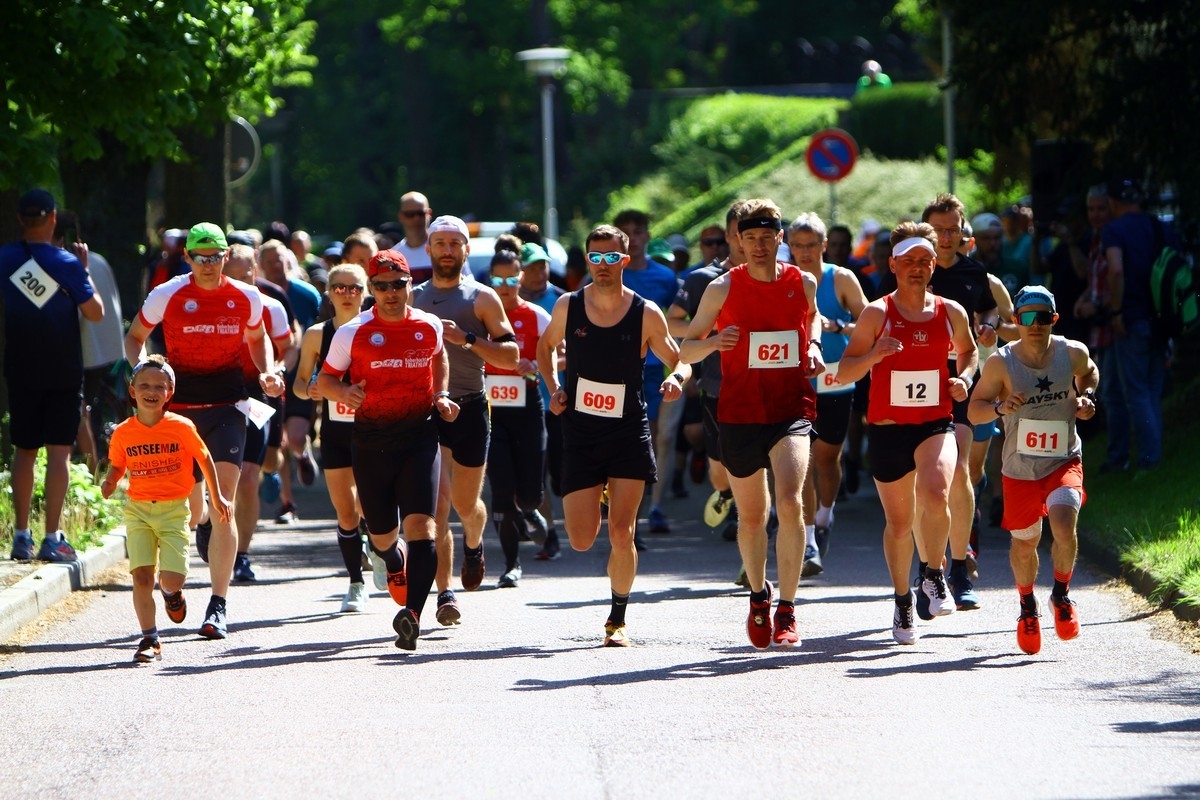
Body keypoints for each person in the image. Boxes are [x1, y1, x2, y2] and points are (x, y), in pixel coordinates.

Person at [124, 222, 285, 639]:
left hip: (228, 407)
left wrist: (266, 371)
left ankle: (218, 604)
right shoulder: (168, 294)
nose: (209, 265)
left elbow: (259, 337)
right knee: (192, 512)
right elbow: (135, 336)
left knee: (223, 501)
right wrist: (143, 374)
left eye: (216, 257)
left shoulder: (246, 296)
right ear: (189, 258)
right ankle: (177, 585)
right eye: (201, 258)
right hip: (178, 413)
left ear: (226, 257)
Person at [679, 199, 823, 649]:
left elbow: (812, 317)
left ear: (780, 238)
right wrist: (714, 342)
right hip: (739, 413)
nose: (759, 245)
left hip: (790, 408)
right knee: (754, 517)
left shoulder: (802, 282)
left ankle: (788, 609)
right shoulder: (722, 288)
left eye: (767, 237)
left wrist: (814, 344)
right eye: (750, 238)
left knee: (791, 501)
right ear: (738, 241)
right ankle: (759, 596)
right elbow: (685, 348)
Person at [537, 224, 690, 646]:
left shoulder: (646, 312)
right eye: (595, 257)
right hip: (582, 433)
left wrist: (677, 379)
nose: (603, 265)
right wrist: (554, 388)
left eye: (611, 257)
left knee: (621, 533)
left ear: (625, 260)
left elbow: (681, 361)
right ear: (588, 261)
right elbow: (544, 347)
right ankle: (599, 490)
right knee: (583, 540)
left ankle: (617, 619)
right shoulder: (569, 306)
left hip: (627, 431)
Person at [837, 221, 977, 644]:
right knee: (899, 524)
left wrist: (964, 378)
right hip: (888, 428)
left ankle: (933, 574)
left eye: (924, 262)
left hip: (935, 421)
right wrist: (874, 355)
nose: (917, 268)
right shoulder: (877, 313)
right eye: (908, 261)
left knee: (936, 491)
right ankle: (902, 601)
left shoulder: (950, 310)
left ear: (933, 266)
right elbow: (844, 370)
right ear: (894, 265)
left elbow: (969, 351)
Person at [318, 250, 460, 650]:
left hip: (419, 437)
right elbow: (326, 381)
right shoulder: (353, 332)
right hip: (371, 442)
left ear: (408, 285)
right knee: (383, 536)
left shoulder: (428, 325)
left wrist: (443, 394)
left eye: (398, 285)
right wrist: (345, 390)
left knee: (423, 527)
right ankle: (393, 562)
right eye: (381, 286)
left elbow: (440, 356)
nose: (391, 293)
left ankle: (411, 614)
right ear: (372, 290)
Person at [877, 194, 999, 613]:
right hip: (906, 392)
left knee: (955, 473)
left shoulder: (975, 274)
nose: (946, 238)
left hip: (951, 390)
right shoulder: (904, 273)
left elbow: (996, 318)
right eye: (939, 229)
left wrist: (989, 335)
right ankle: (929, 567)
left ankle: (957, 569)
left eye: (953, 230)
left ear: (963, 233)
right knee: (917, 489)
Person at [968, 286, 1098, 654]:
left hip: (1063, 459)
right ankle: (1027, 606)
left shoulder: (1071, 352)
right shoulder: (1000, 362)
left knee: (1062, 525)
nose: (1035, 324)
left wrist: (1087, 398)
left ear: (1054, 320)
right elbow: (974, 408)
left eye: (1044, 317)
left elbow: (1090, 373)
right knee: (1024, 544)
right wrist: (999, 408)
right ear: (1016, 321)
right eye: (1027, 317)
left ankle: (1061, 595)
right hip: (1020, 469)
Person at [411, 215, 519, 625]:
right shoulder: (413, 298)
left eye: (455, 243)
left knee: (465, 504)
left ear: (466, 250)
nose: (448, 250)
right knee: (437, 507)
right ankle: (444, 593)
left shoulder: (482, 298)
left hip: (472, 405)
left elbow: (511, 356)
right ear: (430, 248)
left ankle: (474, 542)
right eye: (441, 243)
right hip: (428, 409)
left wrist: (468, 339)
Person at [100, 357, 232, 663]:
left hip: (174, 511)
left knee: (170, 579)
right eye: (144, 385)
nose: (152, 391)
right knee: (142, 577)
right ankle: (150, 638)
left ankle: (173, 594)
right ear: (132, 391)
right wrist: (110, 480)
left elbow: (204, 459)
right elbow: (118, 463)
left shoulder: (181, 427)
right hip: (139, 512)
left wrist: (218, 497)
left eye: (159, 386)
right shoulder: (123, 432)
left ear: (169, 392)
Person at [3, 189, 104, 563]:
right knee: (59, 453)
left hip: (20, 365)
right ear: (52, 219)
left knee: (24, 451)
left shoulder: (5, 258)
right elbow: (95, 313)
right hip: (61, 368)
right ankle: (51, 537)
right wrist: (84, 269)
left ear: (19, 219)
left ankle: (20, 536)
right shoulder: (66, 261)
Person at [787, 212, 869, 574]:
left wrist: (838, 327)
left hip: (836, 377)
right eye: (797, 246)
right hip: (796, 378)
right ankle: (808, 541)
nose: (804, 253)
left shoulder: (842, 278)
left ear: (823, 245)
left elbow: (870, 324)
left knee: (826, 459)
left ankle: (824, 515)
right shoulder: (783, 278)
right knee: (800, 459)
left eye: (810, 246)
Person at [667, 205, 748, 544]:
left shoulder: (782, 278)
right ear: (730, 236)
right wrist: (713, 333)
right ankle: (728, 496)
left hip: (763, 387)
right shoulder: (704, 279)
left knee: (759, 462)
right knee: (720, 470)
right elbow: (672, 322)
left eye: (760, 235)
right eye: (741, 234)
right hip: (716, 387)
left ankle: (750, 520)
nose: (750, 242)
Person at [294, 262, 371, 611]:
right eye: (339, 287)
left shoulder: (377, 329)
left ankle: (382, 550)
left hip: (376, 429)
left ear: (365, 292)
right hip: (336, 430)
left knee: (371, 504)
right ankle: (356, 583)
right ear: (329, 292)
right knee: (345, 511)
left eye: (354, 287)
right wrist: (310, 391)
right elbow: (298, 384)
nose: (347, 293)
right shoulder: (316, 335)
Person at [223, 245, 298, 582]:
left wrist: (276, 370)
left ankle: (242, 555)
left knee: (253, 469)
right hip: (218, 392)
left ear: (256, 271)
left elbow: (290, 347)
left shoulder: (271, 306)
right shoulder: (210, 307)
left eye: (246, 276)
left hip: (256, 392)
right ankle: (215, 525)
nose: (241, 284)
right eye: (233, 277)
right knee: (224, 471)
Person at [484, 249, 553, 587]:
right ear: (490, 280)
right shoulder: (480, 315)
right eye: (499, 280)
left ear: (521, 278)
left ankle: (529, 508)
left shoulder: (536, 315)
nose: (506, 286)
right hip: (491, 411)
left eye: (512, 279)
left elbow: (563, 354)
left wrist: (536, 367)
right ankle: (511, 565)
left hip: (527, 407)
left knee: (529, 491)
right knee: (500, 489)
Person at [613, 210, 682, 538]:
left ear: (646, 235)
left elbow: (681, 321)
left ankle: (652, 509)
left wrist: (683, 368)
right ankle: (624, 510)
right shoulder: (605, 274)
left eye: (638, 231)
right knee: (622, 442)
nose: (633, 238)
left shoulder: (665, 278)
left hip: (655, 370)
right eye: (625, 232)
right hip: (614, 373)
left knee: (656, 439)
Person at [1103, 178, 1176, 471]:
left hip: (1132, 319)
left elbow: (1116, 270)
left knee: (1136, 392)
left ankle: (1149, 460)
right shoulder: (1161, 227)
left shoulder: (1114, 229)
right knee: (1153, 389)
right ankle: (1154, 455)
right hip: (1162, 320)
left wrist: (1117, 310)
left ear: (1113, 202)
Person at [54, 210, 125, 478]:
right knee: (83, 412)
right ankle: (90, 473)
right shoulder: (98, 262)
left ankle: (89, 473)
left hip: (78, 353)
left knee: (79, 413)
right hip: (101, 352)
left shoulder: (61, 266)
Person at [1073, 185, 1127, 471]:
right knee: (1111, 393)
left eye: (1101, 209)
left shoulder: (1116, 236)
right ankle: (1117, 455)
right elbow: (1092, 278)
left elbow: (1121, 278)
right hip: (1100, 330)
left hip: (1114, 325)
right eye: (1091, 209)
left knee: (1118, 394)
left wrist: (1100, 305)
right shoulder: (1097, 237)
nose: (1095, 215)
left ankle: (1122, 458)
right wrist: (1085, 299)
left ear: (1112, 208)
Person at [519, 241, 567, 560]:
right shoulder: (507, 303)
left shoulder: (561, 300)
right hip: (520, 402)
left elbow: (569, 354)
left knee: (560, 475)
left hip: (559, 400)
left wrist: (542, 368)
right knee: (535, 472)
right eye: (532, 266)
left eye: (543, 265)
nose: (539, 271)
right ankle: (549, 532)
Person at [394, 191, 434, 284]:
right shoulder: (395, 257)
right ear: (401, 216)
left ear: (429, 214)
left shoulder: (444, 251)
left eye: (420, 213)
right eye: (410, 214)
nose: (416, 219)